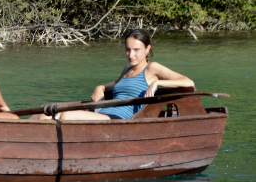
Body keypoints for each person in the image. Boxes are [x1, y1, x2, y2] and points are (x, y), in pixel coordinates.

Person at [36, 29, 194, 121]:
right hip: (103, 113)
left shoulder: (152, 68)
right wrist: (101, 87)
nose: (131, 54)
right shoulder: (127, 68)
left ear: (147, 49)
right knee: (43, 117)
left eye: (136, 50)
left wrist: (157, 83)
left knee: (66, 116)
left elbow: (188, 82)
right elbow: (115, 84)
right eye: (128, 49)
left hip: (118, 120)